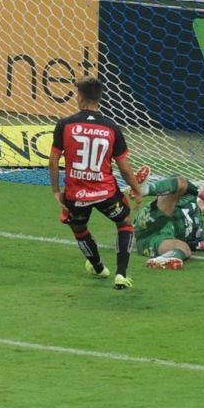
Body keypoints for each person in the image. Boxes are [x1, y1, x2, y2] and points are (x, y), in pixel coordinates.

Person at [49, 76, 145, 290]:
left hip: (75, 194)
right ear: (98, 99)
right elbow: (125, 169)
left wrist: (56, 190)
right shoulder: (111, 128)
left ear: (80, 98)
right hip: (106, 192)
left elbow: (53, 161)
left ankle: (99, 267)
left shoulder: (65, 125)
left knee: (79, 227)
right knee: (125, 222)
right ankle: (121, 274)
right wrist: (137, 191)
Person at [132, 174, 204, 270]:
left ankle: (161, 260)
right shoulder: (190, 196)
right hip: (153, 218)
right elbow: (176, 181)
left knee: (185, 249)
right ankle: (145, 189)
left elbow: (197, 245)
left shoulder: (199, 230)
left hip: (153, 240)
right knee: (180, 183)